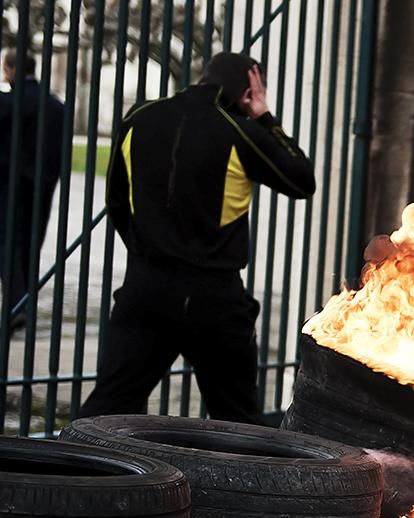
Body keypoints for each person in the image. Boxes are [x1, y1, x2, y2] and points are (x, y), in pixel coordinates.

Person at [80, 52, 315, 424]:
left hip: (146, 286)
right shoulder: (240, 130)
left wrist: (147, 252)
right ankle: (243, 480)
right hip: (212, 294)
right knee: (237, 419)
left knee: (108, 407)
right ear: (249, 89)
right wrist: (264, 115)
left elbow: (117, 202)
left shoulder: (139, 118)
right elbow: (301, 179)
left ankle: (65, 476)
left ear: (204, 76)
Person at [0, 50, 64, 330]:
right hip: (44, 184)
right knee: (31, 242)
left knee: (8, 242)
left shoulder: (8, 102)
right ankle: (23, 302)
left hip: (9, 182)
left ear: (12, 69)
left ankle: (16, 304)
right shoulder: (55, 106)